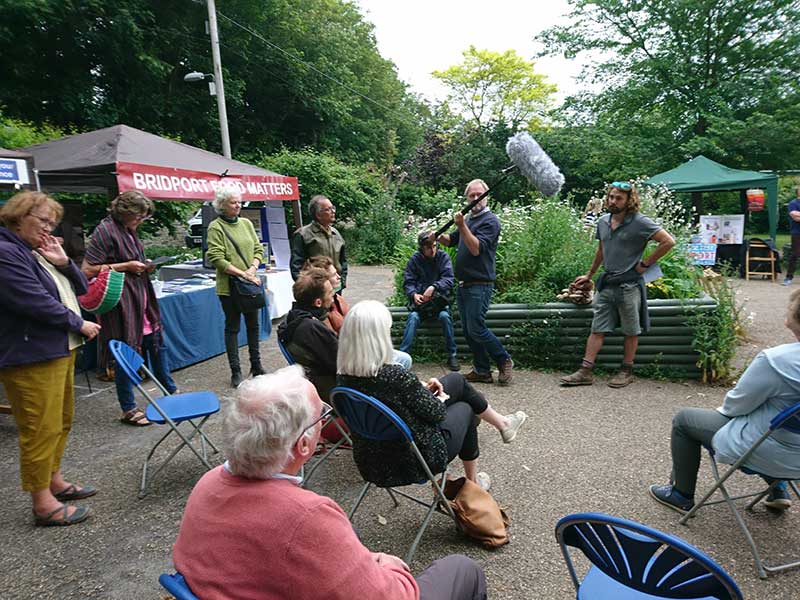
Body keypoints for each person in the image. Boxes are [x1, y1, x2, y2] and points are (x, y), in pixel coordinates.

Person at [172, 364, 488, 600]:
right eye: (322, 416)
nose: (326, 420)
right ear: (304, 445)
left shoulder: (208, 484)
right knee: (464, 570)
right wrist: (386, 565)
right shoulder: (307, 516)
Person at [337, 300, 527, 491]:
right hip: (413, 461)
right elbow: (436, 414)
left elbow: (387, 402)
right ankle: (474, 483)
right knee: (466, 408)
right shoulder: (395, 376)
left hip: (371, 462)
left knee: (456, 380)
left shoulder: (344, 376)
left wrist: (419, 392)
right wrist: (437, 396)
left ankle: (503, 424)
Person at [0, 191, 102, 526]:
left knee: (60, 421)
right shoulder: (6, 253)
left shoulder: (34, 251)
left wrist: (63, 261)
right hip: (30, 354)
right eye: (43, 220)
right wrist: (80, 323)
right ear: (18, 215)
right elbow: (34, 302)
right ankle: (42, 502)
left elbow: (79, 288)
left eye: (52, 223)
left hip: (57, 348)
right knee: (39, 428)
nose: (48, 229)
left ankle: (54, 480)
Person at [649, 289, 800, 514]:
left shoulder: (777, 361)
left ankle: (681, 495)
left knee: (685, 420)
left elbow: (736, 406)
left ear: (794, 316)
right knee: (776, 423)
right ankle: (777, 488)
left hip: (770, 451)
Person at [560, 181, 675, 388]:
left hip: (629, 285)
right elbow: (602, 250)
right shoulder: (603, 221)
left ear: (629, 200)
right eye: (611, 197)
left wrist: (645, 264)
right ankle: (585, 371)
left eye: (618, 198)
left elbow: (668, 241)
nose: (613, 201)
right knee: (597, 328)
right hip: (608, 283)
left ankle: (626, 370)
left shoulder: (640, 222)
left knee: (631, 330)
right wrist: (589, 275)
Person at [83, 190, 178, 426]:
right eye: (138, 217)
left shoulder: (129, 230)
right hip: (123, 306)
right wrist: (126, 266)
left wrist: (145, 267)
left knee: (157, 345)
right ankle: (128, 408)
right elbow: (87, 269)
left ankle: (170, 391)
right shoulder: (105, 231)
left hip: (142, 301)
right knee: (127, 353)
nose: (140, 221)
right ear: (125, 212)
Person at [278, 270, 411, 401]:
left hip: (331, 380)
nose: (333, 297)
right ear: (318, 302)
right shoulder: (312, 329)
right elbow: (345, 364)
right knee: (402, 361)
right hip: (346, 390)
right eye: (330, 293)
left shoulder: (293, 320)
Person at [438, 179, 513, 385]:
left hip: (480, 283)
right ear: (467, 198)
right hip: (464, 283)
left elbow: (475, 248)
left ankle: (503, 359)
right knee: (469, 330)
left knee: (477, 327)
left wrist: (462, 225)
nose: (475, 199)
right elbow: (452, 240)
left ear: (486, 196)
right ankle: (482, 370)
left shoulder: (490, 221)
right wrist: (435, 236)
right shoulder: (470, 219)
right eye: (471, 196)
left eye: (479, 194)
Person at [205, 188, 266, 387]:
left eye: (239, 202)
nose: (238, 205)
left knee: (253, 326)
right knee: (233, 327)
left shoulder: (246, 223)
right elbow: (216, 258)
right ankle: (236, 371)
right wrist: (243, 274)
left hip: (249, 284)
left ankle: (256, 366)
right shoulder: (216, 227)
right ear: (222, 205)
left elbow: (258, 248)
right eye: (233, 202)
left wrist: (253, 267)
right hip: (230, 287)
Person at [399, 231, 459, 371]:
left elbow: (449, 279)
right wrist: (414, 294)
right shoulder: (415, 259)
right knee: (413, 318)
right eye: (428, 247)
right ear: (421, 248)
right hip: (421, 305)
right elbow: (408, 281)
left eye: (434, 246)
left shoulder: (443, 257)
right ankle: (402, 356)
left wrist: (434, 287)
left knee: (445, 317)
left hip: (439, 302)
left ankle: (452, 354)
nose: (432, 250)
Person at [290, 194, 347, 286]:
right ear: (318, 214)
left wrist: (342, 280)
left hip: (335, 285)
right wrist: (306, 286)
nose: (333, 211)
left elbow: (343, 261)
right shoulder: (303, 234)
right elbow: (296, 266)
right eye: (328, 209)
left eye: (333, 208)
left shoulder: (336, 234)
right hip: (315, 288)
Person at [302, 255, 349, 333]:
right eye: (334, 275)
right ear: (322, 279)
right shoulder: (313, 318)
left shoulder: (338, 299)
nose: (339, 277)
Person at [783, 186, 800, 286]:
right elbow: (795, 217)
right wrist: (796, 215)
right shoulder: (793, 203)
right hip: (797, 232)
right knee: (795, 254)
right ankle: (788, 277)